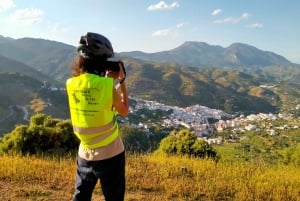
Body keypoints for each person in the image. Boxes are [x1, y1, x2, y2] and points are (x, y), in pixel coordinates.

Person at [66, 32, 129, 201]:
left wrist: (107, 81)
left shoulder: (71, 84)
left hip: (85, 151)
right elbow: (124, 110)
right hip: (111, 152)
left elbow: (92, 100)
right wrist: (121, 82)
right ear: (102, 61)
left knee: (80, 196)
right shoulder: (107, 86)